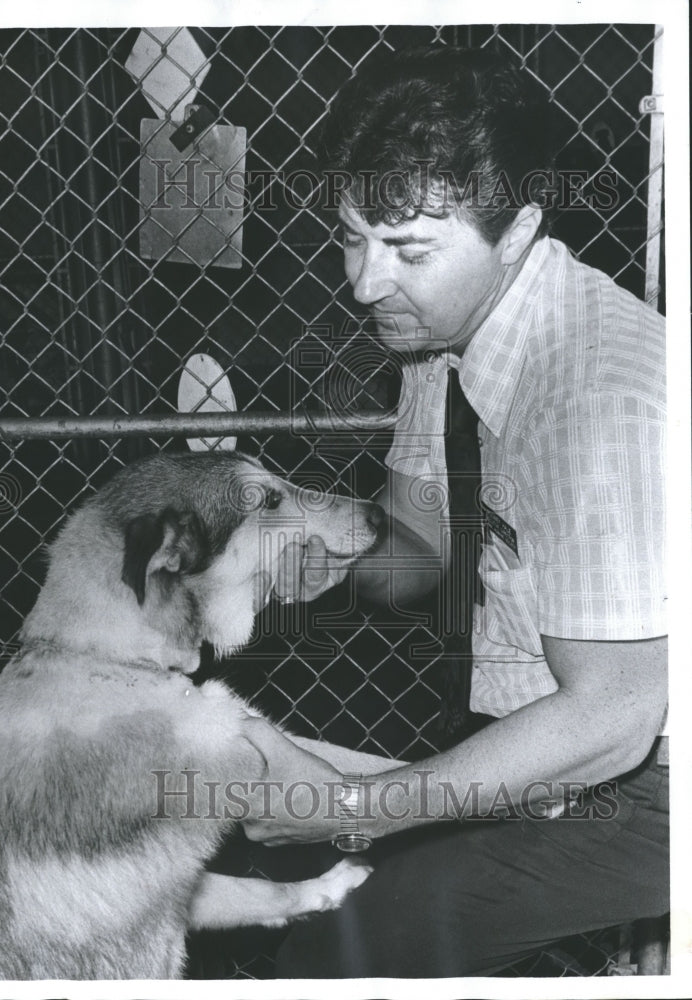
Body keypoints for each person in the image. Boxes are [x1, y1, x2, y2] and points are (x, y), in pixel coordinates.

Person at [238, 46, 668, 977]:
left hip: (650, 778)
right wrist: (301, 550)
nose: (364, 283)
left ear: (517, 232)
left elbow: (619, 713)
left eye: (408, 250)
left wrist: (357, 806)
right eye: (351, 236)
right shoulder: (439, 340)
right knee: (238, 814)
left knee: (343, 943)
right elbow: (419, 556)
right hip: (543, 741)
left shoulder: (594, 395)